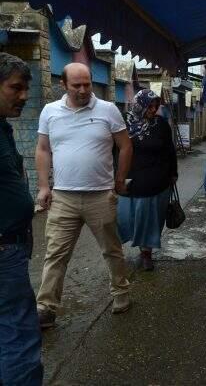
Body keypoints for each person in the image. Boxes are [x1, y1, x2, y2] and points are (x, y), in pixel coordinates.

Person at [35, 62, 133, 328]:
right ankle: (46, 307)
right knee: (55, 254)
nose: (83, 90)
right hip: (63, 197)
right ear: (63, 85)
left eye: (87, 84)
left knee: (111, 250)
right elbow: (43, 149)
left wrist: (120, 179)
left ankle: (121, 292)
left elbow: (125, 145)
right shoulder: (50, 111)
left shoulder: (108, 110)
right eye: (76, 85)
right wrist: (44, 187)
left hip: (101, 195)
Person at [0, 52, 43, 385]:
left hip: (11, 247)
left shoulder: (3, 128)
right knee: (19, 339)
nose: (24, 96)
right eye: (16, 88)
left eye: (26, 88)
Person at [117, 89, 178, 270]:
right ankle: (116, 253)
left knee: (150, 220)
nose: (153, 110)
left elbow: (170, 150)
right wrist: (115, 174)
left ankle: (146, 253)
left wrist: (173, 173)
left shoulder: (161, 124)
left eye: (155, 106)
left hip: (156, 182)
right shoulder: (123, 123)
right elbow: (113, 149)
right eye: (149, 106)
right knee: (124, 219)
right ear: (139, 104)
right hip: (129, 180)